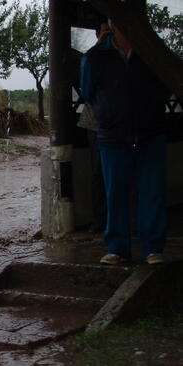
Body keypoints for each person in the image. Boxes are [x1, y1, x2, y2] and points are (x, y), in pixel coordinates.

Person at [81, 20, 171, 265]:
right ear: (112, 24)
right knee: (115, 194)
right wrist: (108, 115)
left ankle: (153, 249)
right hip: (113, 137)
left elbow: (165, 87)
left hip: (150, 134)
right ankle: (117, 249)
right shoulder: (95, 56)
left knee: (152, 194)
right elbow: (88, 92)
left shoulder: (151, 53)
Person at [77, 23, 110, 233]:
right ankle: (100, 221)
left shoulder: (127, 57)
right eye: (104, 32)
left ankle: (117, 221)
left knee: (116, 174)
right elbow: (86, 90)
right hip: (96, 123)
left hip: (120, 124)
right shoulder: (91, 57)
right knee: (99, 174)